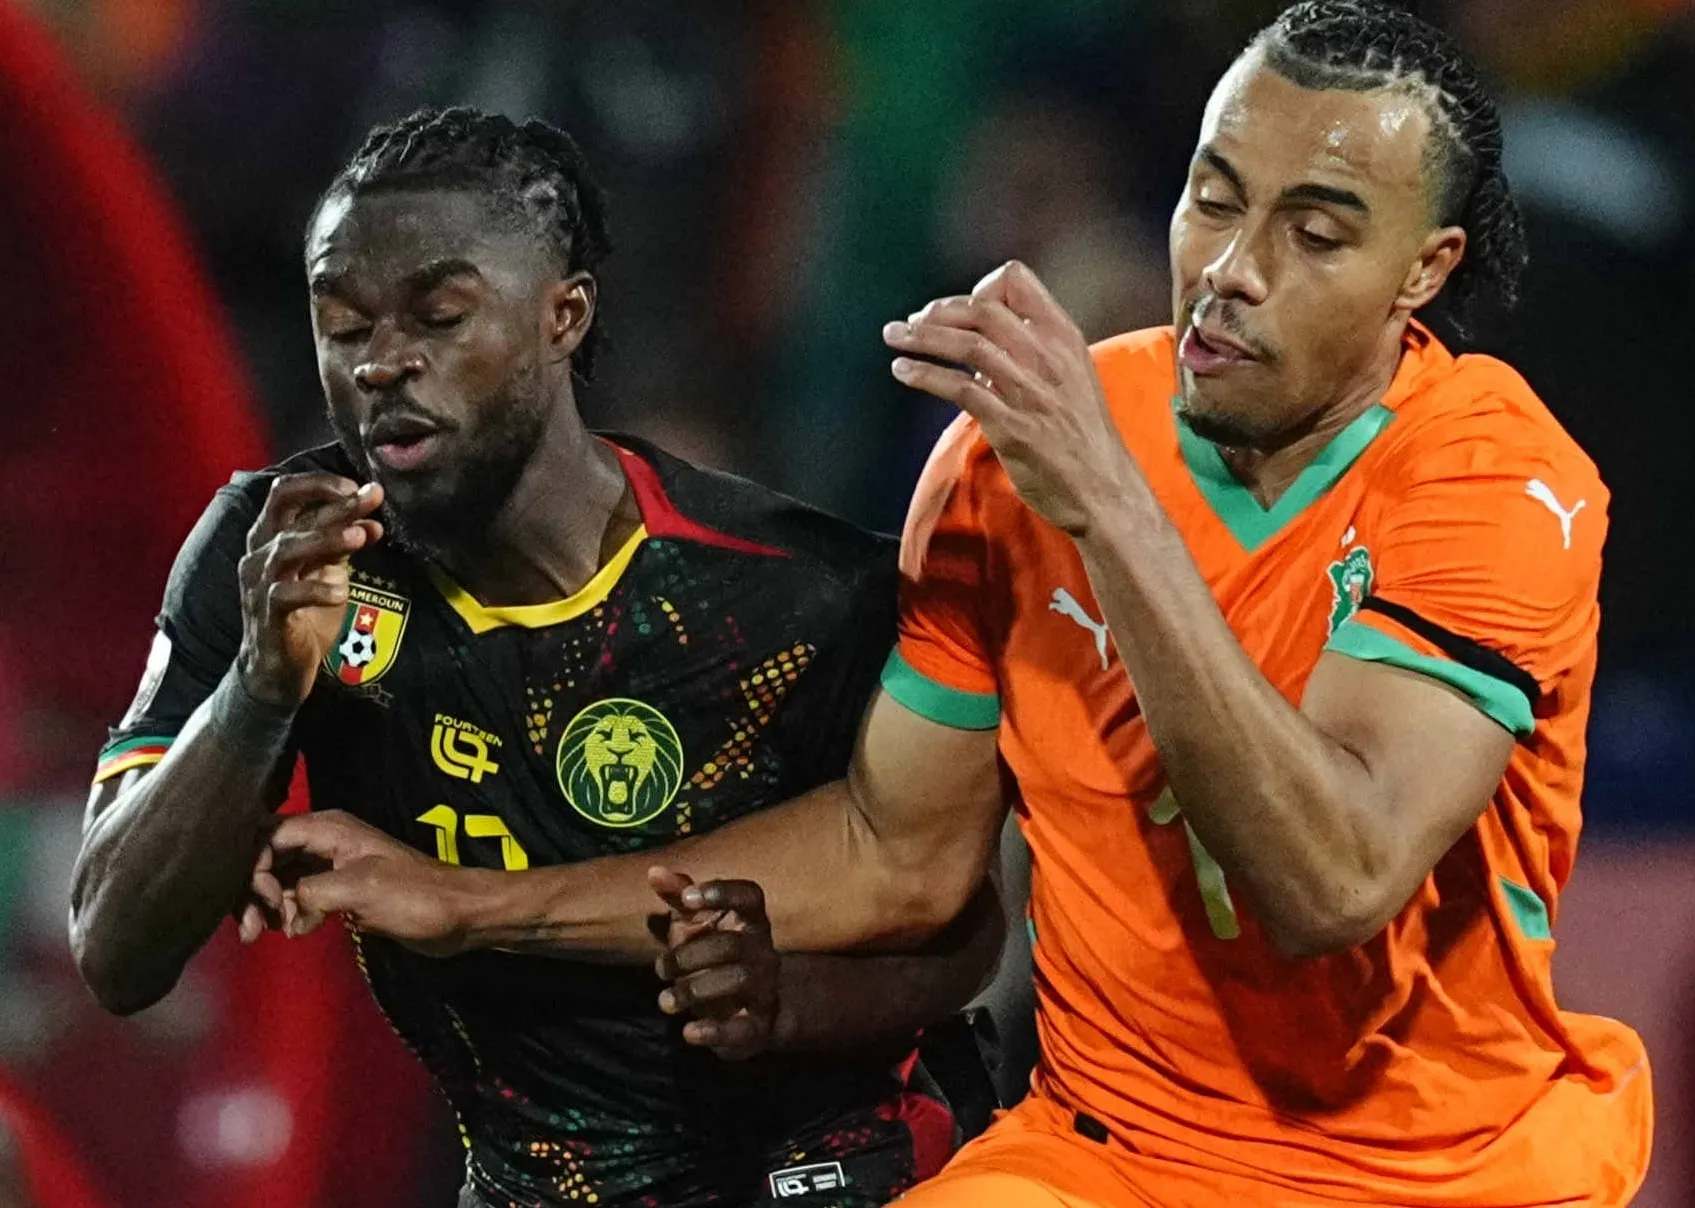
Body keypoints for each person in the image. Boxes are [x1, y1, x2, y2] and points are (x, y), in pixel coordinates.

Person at [265, 3, 1654, 1204]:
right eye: (1215, 197)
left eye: (1318, 232)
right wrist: (470, 902)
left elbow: (1333, 880)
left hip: (1436, 1174)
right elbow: (896, 856)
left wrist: (1110, 507)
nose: (1234, 268)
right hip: (1108, 1157)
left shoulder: (1495, 484)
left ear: (1426, 271)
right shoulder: (1016, 456)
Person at [67, 107, 1002, 1208]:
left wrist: (792, 1002)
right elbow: (115, 948)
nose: (382, 363)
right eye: (342, 324)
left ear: (564, 316)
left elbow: (958, 927)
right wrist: (257, 694)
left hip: (824, 1171)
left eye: (439, 316)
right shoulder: (280, 555)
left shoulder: (794, 593)